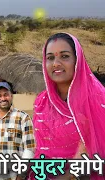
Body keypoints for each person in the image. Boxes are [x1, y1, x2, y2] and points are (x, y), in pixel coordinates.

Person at [30, 33, 105, 179]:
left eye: (64, 56)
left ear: (78, 61)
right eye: (50, 58)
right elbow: (41, 150)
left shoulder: (97, 100)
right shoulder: (42, 102)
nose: (56, 63)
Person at [0, 82, 35, 180]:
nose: (3, 99)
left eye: (6, 95)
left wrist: (21, 175)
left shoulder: (23, 117)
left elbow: (30, 149)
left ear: (11, 96)